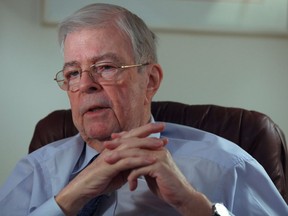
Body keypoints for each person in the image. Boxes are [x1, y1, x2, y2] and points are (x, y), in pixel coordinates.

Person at [0, 3, 287, 216]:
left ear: (150, 80)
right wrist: (68, 200)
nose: (86, 84)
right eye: (73, 73)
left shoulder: (226, 167)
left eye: (106, 68)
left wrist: (194, 205)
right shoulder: (35, 171)